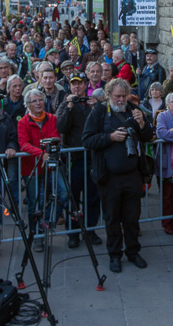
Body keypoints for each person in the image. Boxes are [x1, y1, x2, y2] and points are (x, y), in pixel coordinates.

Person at [82, 78, 153, 273]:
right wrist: (110, 137)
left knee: (132, 217)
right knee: (112, 218)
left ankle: (133, 251)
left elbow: (148, 137)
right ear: (108, 95)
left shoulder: (134, 109)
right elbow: (87, 140)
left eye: (124, 96)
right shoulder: (99, 112)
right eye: (117, 96)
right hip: (109, 177)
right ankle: (114, 255)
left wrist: (142, 123)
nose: (121, 100)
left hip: (132, 175)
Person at [17, 89, 68, 253]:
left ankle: (47, 221)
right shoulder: (23, 122)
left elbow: (55, 138)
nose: (38, 103)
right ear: (28, 104)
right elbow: (24, 144)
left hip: (51, 164)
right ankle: (37, 236)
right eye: (34, 101)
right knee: (34, 202)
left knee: (64, 192)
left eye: (40, 100)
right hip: (31, 167)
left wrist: (47, 153)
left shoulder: (52, 118)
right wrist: (41, 153)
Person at [55, 72, 102, 248]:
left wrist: (95, 107)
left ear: (85, 85)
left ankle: (90, 230)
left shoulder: (92, 103)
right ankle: (73, 233)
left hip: (91, 157)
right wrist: (69, 106)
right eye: (73, 83)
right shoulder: (65, 104)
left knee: (92, 197)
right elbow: (61, 126)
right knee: (73, 198)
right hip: (74, 159)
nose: (76, 86)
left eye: (80, 83)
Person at [156, 92, 173, 234]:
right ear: (167, 104)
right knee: (167, 196)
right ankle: (167, 223)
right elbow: (161, 132)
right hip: (165, 162)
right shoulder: (162, 116)